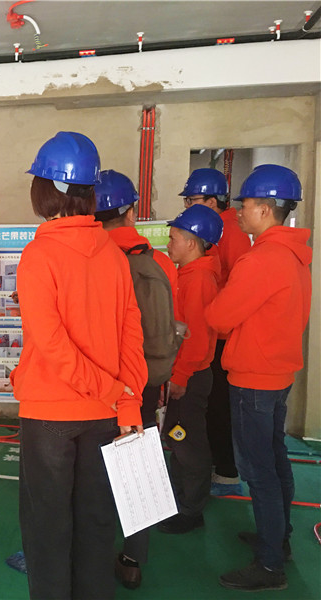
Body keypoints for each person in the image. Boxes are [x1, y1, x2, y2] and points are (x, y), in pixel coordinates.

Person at [11, 132, 147, 599]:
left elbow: (52, 345)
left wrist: (109, 391)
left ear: (45, 190)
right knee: (95, 525)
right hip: (103, 416)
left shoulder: (39, 255)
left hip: (50, 415)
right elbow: (132, 337)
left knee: (47, 530)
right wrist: (125, 400)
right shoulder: (113, 255)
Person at [206, 164, 311, 592]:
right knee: (275, 458)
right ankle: (278, 539)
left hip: (253, 378)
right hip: (279, 373)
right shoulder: (294, 255)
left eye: (244, 204)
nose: (238, 212)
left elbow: (219, 317)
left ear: (265, 209)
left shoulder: (261, 260)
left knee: (258, 470)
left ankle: (269, 566)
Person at [94, 169, 178, 589]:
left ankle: (88, 555)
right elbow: (171, 324)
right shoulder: (158, 262)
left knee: (90, 473)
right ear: (129, 213)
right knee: (139, 469)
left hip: (97, 385)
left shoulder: (90, 260)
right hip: (144, 383)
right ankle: (131, 559)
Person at [180, 168, 252, 497]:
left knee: (219, 406)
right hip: (212, 331)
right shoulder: (218, 229)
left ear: (212, 201)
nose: (187, 206)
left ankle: (225, 472)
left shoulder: (230, 232)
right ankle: (214, 467)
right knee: (210, 407)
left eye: (192, 200)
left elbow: (238, 287)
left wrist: (214, 313)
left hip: (220, 335)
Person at [158, 204, 222, 536]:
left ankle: (191, 509)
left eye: (173, 239)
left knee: (188, 443)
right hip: (182, 373)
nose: (169, 245)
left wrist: (180, 377)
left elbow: (197, 339)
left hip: (191, 376)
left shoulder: (199, 280)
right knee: (177, 437)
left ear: (192, 243)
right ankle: (179, 501)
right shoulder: (187, 275)